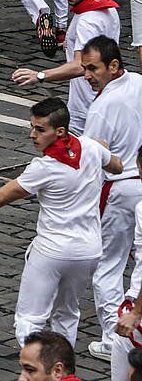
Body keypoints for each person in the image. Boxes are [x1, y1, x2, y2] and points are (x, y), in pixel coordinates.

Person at [0, 97, 120, 347]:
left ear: (60, 131)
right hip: (89, 251)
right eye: (32, 127)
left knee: (30, 319)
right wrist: (100, 148)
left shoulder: (43, 168)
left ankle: (34, 370)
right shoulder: (89, 147)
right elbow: (117, 166)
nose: (32, 135)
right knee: (67, 315)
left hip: (52, 251)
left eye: (40, 129)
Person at [80, 36, 142, 360]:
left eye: (93, 69)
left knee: (108, 265)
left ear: (114, 66)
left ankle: (111, 337)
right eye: (84, 69)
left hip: (119, 190)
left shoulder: (101, 107)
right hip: (141, 183)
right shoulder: (140, 83)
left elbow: (94, 161)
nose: (88, 76)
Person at [12, 0, 121, 134]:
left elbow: (80, 65)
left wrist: (39, 75)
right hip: (102, 102)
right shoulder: (108, 9)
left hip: (85, 109)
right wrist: (69, 45)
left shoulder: (88, 21)